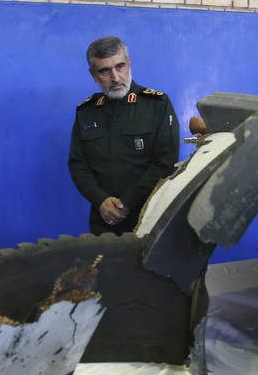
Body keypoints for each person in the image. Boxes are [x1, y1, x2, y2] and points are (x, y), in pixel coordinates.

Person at [68, 36, 179, 235]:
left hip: (148, 218)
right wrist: (101, 200)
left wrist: (125, 203)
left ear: (129, 63)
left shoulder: (157, 105)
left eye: (120, 67)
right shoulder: (86, 111)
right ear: (93, 74)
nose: (116, 77)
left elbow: (165, 163)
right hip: (103, 220)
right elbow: (78, 164)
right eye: (105, 71)